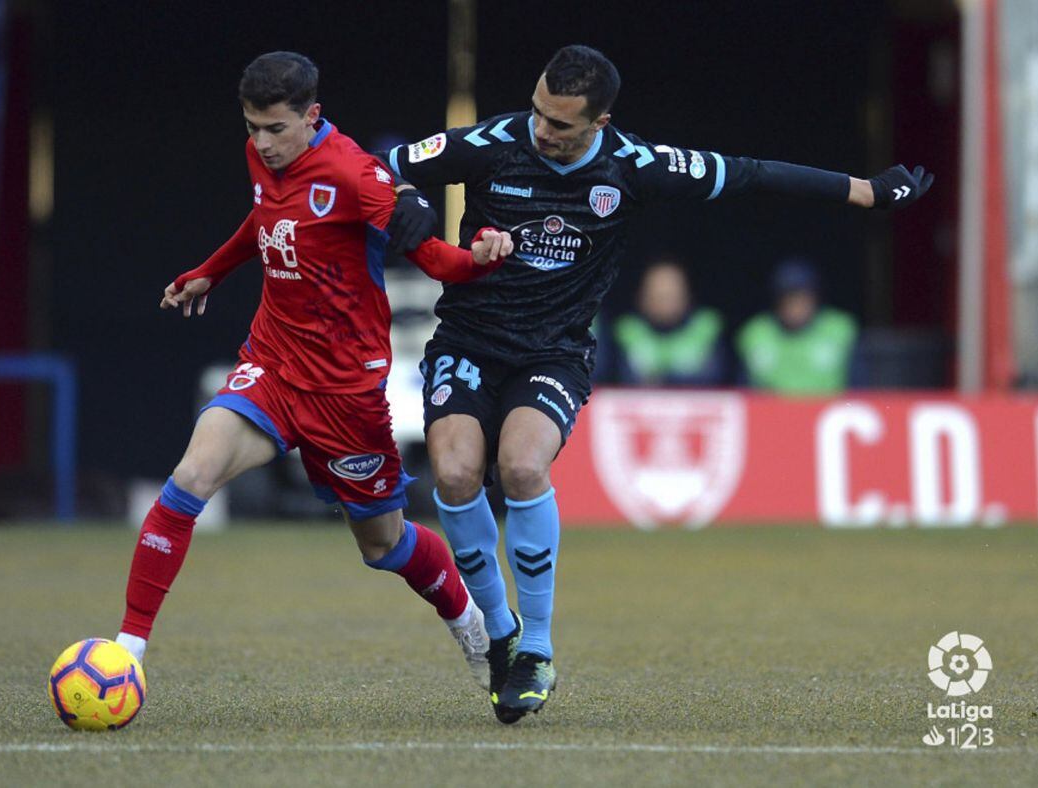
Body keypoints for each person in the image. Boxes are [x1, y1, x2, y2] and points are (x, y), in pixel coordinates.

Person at [379, 44, 933, 724]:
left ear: (602, 121)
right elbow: (380, 165)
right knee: (457, 475)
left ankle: (538, 649)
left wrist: (866, 191)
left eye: (561, 125)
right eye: (538, 113)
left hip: (552, 353)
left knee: (521, 466)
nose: (543, 131)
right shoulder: (494, 142)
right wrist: (403, 198)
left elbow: (751, 174)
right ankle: (500, 633)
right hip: (467, 339)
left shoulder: (635, 166)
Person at [114, 52, 514, 692]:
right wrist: (211, 270)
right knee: (190, 478)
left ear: (312, 116)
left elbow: (436, 261)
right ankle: (126, 652)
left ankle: (470, 619)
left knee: (383, 546)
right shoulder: (260, 158)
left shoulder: (358, 176)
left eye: (276, 129)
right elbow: (265, 221)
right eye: (252, 128)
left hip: (345, 392)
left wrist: (485, 258)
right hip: (271, 364)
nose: (263, 144)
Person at [735, 258, 859, 394]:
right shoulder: (756, 333)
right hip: (772, 413)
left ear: (815, 298)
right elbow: (744, 390)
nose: (796, 307)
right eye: (789, 299)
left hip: (828, 412)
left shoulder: (839, 328)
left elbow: (859, 385)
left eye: (802, 299)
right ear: (777, 301)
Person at [612, 260, 726, 386]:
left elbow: (714, 377)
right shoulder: (627, 329)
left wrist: (660, 379)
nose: (665, 303)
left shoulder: (706, 326)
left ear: (687, 296)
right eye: (658, 295)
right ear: (641, 298)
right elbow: (621, 376)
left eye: (671, 295)